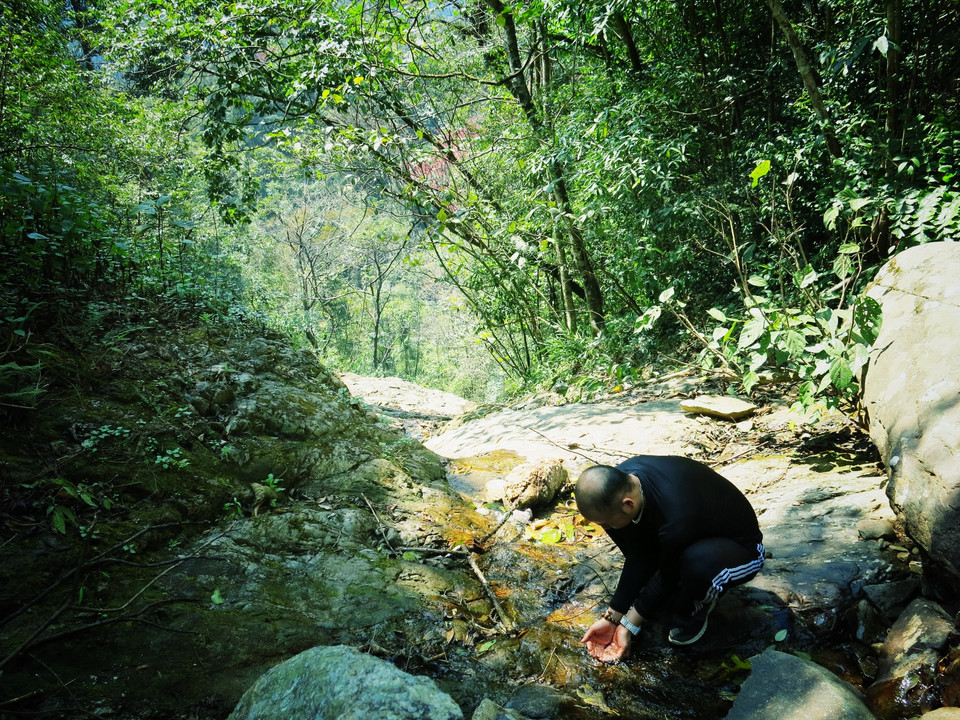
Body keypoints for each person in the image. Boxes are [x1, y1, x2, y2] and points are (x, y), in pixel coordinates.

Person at [575, 455, 763, 661]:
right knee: (660, 586)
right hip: (688, 536)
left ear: (627, 505)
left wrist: (629, 625)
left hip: (739, 547)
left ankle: (696, 609)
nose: (606, 529)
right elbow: (639, 557)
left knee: (696, 566)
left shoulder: (675, 512)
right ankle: (684, 586)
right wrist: (612, 618)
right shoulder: (616, 488)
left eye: (607, 524)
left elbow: (668, 572)